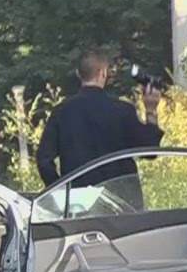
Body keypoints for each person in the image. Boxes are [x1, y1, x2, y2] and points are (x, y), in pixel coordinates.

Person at [35, 50, 164, 208]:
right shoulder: (123, 110)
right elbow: (150, 151)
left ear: (78, 74)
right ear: (103, 73)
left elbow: (44, 160)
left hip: (79, 205)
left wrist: (61, 192)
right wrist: (151, 109)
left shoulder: (61, 112)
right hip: (122, 203)